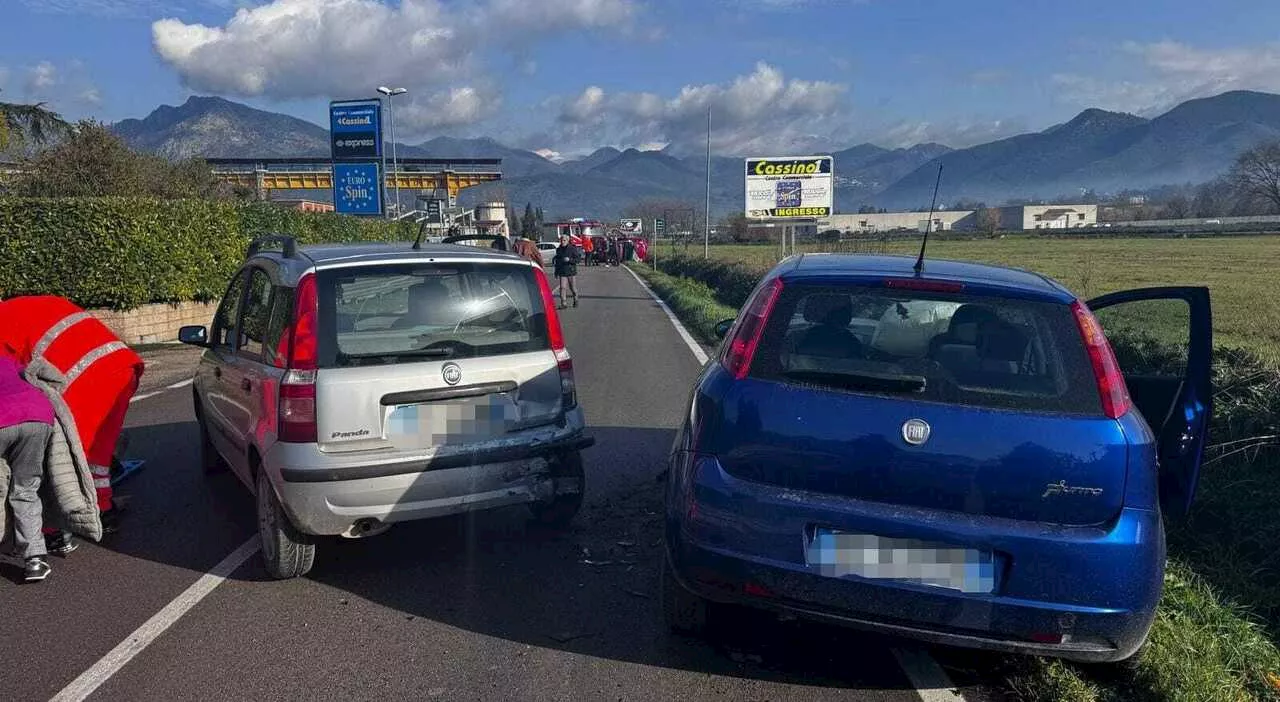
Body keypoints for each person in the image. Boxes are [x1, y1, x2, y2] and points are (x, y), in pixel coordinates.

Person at [0, 296, 145, 535]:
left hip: (84, 382)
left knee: (57, 458)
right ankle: (103, 505)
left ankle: (49, 528)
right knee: (97, 451)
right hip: (123, 367)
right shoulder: (27, 305)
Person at [1, 352, 56, 582]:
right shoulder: (6, 359)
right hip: (38, 416)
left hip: (3, 420)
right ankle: (35, 559)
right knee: (25, 489)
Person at [552, 235, 580, 309]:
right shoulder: (558, 249)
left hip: (571, 271)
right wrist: (556, 272)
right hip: (562, 271)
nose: (562, 242)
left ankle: (575, 299)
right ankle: (563, 303)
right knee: (562, 287)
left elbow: (578, 259)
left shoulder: (572, 248)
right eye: (561, 240)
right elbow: (557, 262)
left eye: (564, 240)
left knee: (572, 288)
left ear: (567, 241)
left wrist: (570, 260)